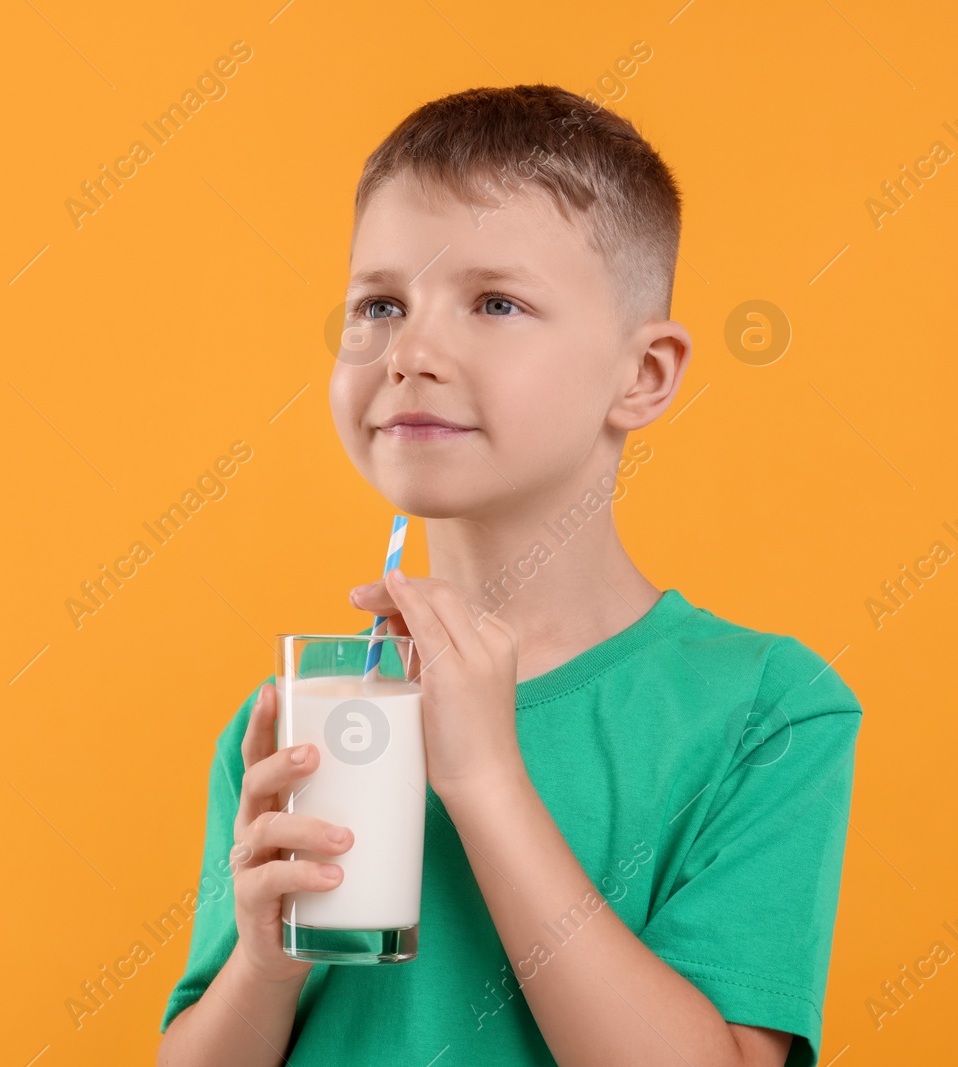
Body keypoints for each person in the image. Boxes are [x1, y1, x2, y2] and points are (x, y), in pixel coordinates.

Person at [156, 84, 862, 1067]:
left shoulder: (764, 710)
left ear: (642, 375)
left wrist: (484, 778)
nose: (408, 351)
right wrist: (264, 969)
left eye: (494, 302)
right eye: (379, 305)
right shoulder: (297, 718)